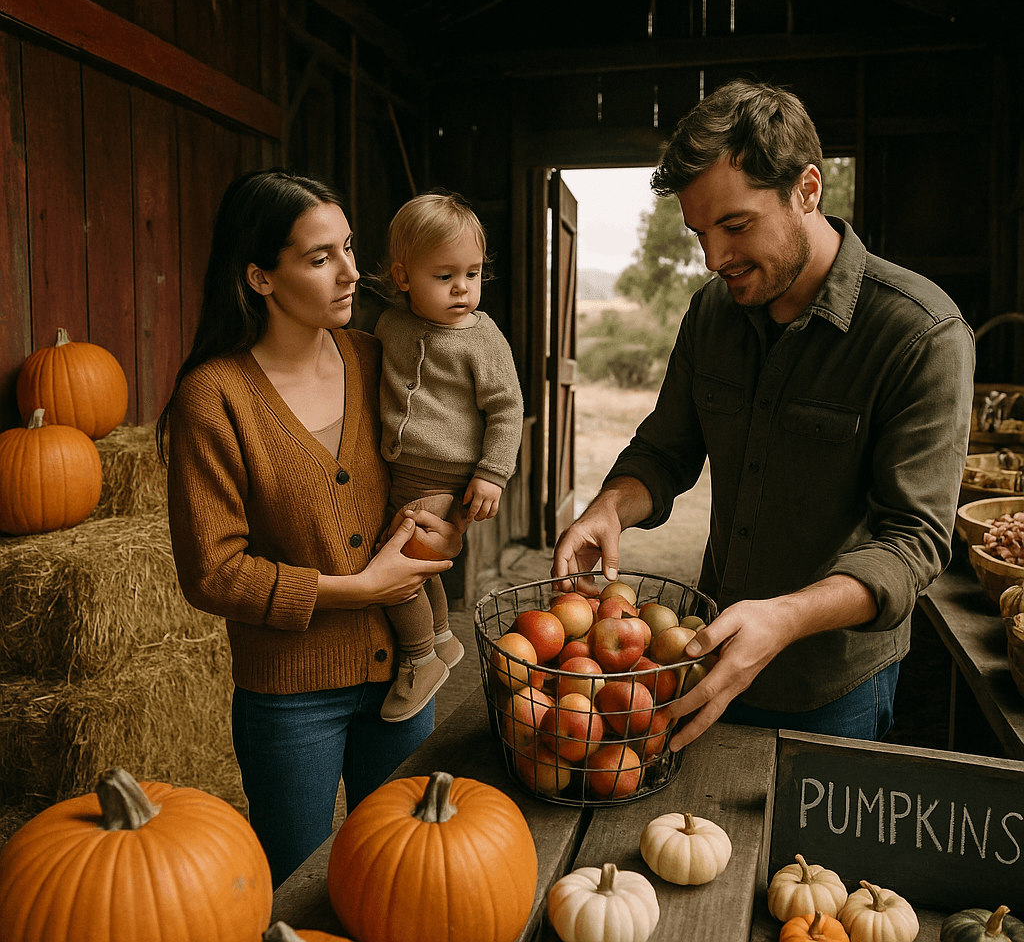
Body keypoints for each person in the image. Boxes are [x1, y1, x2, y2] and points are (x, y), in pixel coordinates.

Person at [552, 79, 975, 750]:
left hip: (830, 688)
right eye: (700, 233)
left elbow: (913, 541)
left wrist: (785, 618)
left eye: (735, 226)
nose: (714, 259)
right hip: (706, 650)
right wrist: (609, 508)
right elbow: (664, 452)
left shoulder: (920, 334)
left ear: (807, 189)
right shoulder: (711, 313)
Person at [157, 169, 461, 888]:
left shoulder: (378, 359)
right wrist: (358, 590)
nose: (351, 272)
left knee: (404, 880)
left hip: (405, 677)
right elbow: (213, 573)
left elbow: (426, 471)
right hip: (291, 700)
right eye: (320, 257)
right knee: (294, 887)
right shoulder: (214, 398)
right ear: (260, 277)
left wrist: (442, 531)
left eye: (348, 247)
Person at [371, 189, 524, 722]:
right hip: (402, 469)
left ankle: (419, 659)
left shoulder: (482, 338)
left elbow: (507, 408)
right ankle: (440, 638)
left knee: (395, 565)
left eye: (473, 274)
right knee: (421, 562)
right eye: (445, 276)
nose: (463, 288)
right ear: (403, 276)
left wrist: (492, 474)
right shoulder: (390, 325)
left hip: (448, 477)